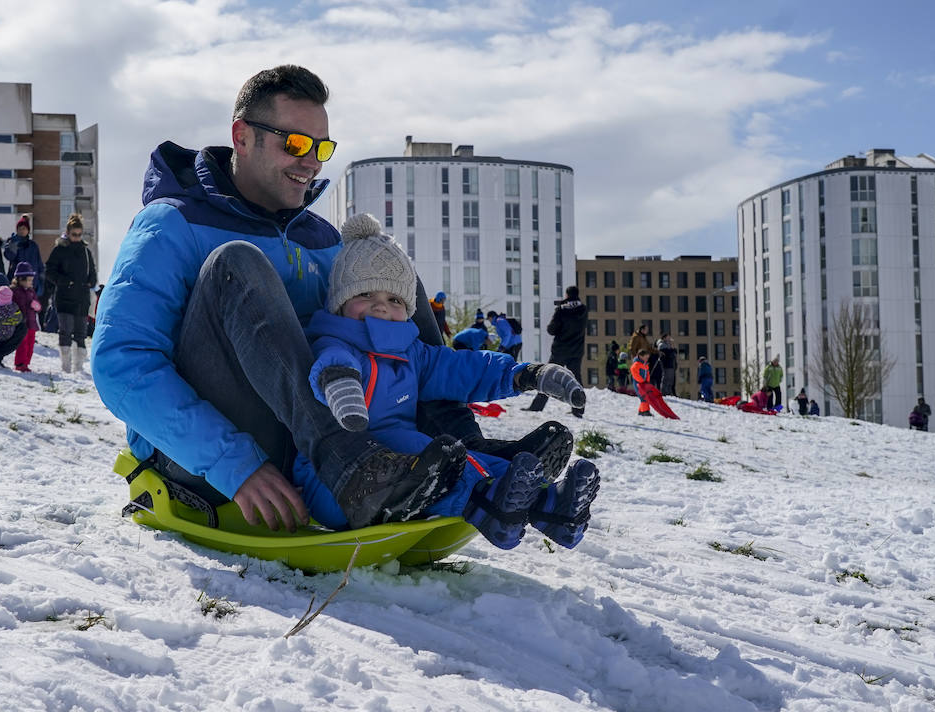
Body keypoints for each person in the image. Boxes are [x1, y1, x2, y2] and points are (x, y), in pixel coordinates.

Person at [92, 65, 506, 533]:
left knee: (392, 275)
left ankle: (467, 453)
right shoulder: (173, 223)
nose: (311, 162)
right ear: (242, 136)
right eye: (295, 144)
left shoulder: (324, 241)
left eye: (322, 148)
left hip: (316, 457)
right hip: (211, 460)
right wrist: (236, 463)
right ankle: (349, 467)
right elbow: (121, 362)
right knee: (237, 263)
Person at [293, 214, 597, 549]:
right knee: (441, 461)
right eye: (365, 293)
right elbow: (331, 365)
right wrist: (342, 387)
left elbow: (461, 368)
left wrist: (525, 374)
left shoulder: (412, 352)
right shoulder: (336, 341)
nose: (381, 307)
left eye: (394, 299)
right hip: (337, 481)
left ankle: (551, 506)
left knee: (476, 462)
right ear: (340, 301)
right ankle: (490, 505)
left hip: (397, 461)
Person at [43, 213, 97, 373]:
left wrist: (91, 282)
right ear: (68, 233)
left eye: (80, 235)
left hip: (82, 298)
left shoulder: (86, 251)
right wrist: (65, 281)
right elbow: (49, 271)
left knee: (81, 333)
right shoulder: (60, 249)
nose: (77, 237)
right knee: (65, 331)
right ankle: (65, 366)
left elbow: (92, 271)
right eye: (74, 234)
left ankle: (78, 367)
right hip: (64, 297)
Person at [524, 286, 588, 417]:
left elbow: (551, 329)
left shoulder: (561, 310)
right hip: (577, 350)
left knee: (547, 375)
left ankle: (537, 406)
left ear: (566, 295)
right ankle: (579, 407)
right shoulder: (583, 309)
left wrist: (560, 310)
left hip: (561, 350)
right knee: (576, 378)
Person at [10, 262, 41, 372]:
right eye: (28, 280)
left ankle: (26, 363)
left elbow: (37, 304)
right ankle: (20, 363)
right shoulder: (14, 291)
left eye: (31, 280)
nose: (30, 283)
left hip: (31, 322)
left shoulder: (31, 291)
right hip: (21, 322)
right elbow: (11, 305)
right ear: (20, 279)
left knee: (30, 344)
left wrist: (36, 306)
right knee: (22, 343)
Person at [3, 213, 44, 297]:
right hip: (17, 282)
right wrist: (13, 243)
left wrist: (41, 282)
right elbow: (9, 256)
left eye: (24, 228)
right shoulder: (12, 242)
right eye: (19, 229)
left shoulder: (33, 245)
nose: (22, 231)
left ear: (28, 230)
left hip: (32, 283)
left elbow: (39, 264)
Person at [630, 350, 653, 416]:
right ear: (640, 356)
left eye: (647, 358)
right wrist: (642, 381)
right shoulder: (636, 364)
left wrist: (647, 381)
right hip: (638, 384)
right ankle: (645, 411)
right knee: (643, 397)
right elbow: (635, 374)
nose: (647, 359)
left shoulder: (645, 364)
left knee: (645, 396)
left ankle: (641, 411)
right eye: (646, 357)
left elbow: (647, 373)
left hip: (644, 384)